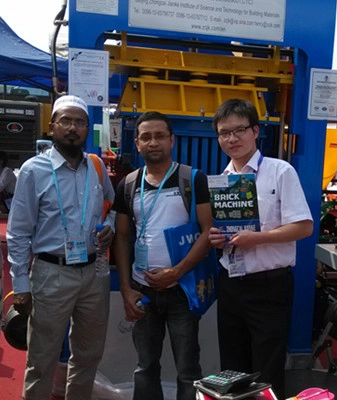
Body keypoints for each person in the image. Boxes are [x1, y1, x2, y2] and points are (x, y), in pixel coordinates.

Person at [6, 95, 115, 400]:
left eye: (80, 122)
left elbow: (112, 205)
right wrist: (20, 284)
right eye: (65, 121)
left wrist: (110, 225)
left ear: (87, 129)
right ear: (52, 126)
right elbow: (18, 232)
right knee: (42, 357)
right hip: (51, 273)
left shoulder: (96, 167)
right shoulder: (33, 170)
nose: (72, 128)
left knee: (88, 354)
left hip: (93, 273)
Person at [208, 98, 313, 400]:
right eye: (224, 133)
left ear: (255, 131)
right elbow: (226, 232)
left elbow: (304, 227)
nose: (232, 138)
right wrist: (218, 239)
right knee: (232, 370)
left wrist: (257, 238)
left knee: (267, 370)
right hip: (231, 283)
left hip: (269, 287)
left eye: (239, 130)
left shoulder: (280, 171)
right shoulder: (223, 181)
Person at [113, 111, 213, 400]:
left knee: (188, 369)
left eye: (159, 136)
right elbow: (122, 236)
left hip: (182, 290)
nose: (153, 142)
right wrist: (125, 288)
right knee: (145, 366)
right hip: (142, 291)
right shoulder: (128, 184)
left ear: (172, 140)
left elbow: (208, 231)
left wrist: (176, 272)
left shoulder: (192, 179)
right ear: (137, 143)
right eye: (146, 137)